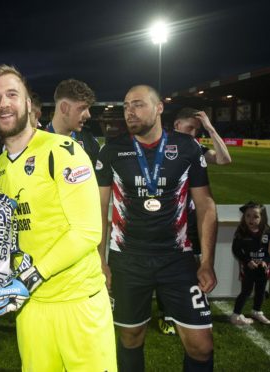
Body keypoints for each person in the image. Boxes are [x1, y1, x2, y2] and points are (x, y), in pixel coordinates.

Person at [0, 65, 117, 371]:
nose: (3, 103)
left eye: (11, 94)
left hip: (79, 305)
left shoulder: (63, 150)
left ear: (28, 103)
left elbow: (86, 232)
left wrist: (27, 279)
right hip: (31, 311)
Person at [96, 85, 218, 372]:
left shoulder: (187, 147)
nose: (129, 112)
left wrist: (207, 262)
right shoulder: (112, 150)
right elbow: (99, 208)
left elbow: (206, 205)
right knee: (130, 337)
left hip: (177, 259)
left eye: (137, 104)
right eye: (126, 106)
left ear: (159, 107)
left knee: (201, 346)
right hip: (128, 259)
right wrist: (100, 260)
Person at [158, 107, 232, 335]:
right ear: (177, 125)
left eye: (197, 130)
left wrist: (209, 128)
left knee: (194, 265)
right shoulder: (160, 145)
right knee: (164, 268)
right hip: (167, 219)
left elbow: (224, 159)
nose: (194, 133)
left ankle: (191, 307)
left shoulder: (196, 147)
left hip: (190, 219)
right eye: (191, 128)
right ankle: (166, 315)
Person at [231, 202, 270, 325]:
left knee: (261, 290)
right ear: (244, 217)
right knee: (246, 291)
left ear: (262, 217)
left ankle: (256, 311)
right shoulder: (241, 231)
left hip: (263, 267)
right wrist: (247, 261)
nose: (251, 219)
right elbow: (236, 250)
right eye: (248, 216)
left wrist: (265, 261)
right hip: (248, 267)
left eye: (255, 216)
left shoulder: (267, 231)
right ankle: (236, 315)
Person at [46, 79, 100, 170]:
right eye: (82, 108)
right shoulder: (36, 143)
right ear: (64, 108)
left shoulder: (90, 141)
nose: (88, 115)